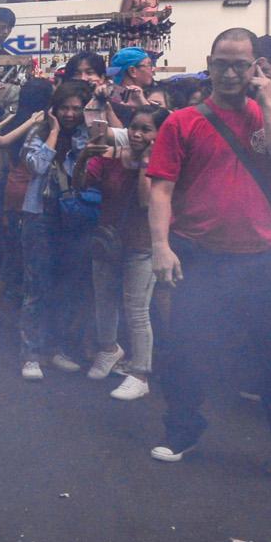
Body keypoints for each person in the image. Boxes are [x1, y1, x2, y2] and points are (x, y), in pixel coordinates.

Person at [147, 29, 271, 474]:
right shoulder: (182, 121)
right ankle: (181, 430)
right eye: (222, 63)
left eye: (240, 64)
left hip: (264, 255)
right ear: (209, 63)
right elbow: (161, 190)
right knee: (186, 349)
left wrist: (267, 104)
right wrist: (161, 246)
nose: (230, 73)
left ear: (256, 68)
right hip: (201, 255)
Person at [18, 81, 95, 380]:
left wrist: (84, 135)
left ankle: (56, 349)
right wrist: (52, 131)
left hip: (73, 219)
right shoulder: (38, 133)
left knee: (66, 287)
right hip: (39, 216)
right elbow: (36, 165)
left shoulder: (85, 135)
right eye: (65, 107)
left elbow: (88, 170)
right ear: (55, 108)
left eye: (77, 108)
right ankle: (31, 355)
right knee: (37, 287)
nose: (70, 113)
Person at [87, 103, 163, 400]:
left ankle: (140, 374)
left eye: (146, 129)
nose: (137, 134)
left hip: (142, 244)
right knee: (103, 298)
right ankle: (109, 349)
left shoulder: (163, 161)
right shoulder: (114, 155)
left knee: (137, 311)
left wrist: (146, 160)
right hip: (110, 241)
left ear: (159, 134)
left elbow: (146, 201)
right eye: (134, 127)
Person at [108, 46, 169, 115]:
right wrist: (144, 105)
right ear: (132, 71)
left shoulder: (115, 92)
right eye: (148, 65)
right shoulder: (119, 102)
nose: (153, 69)